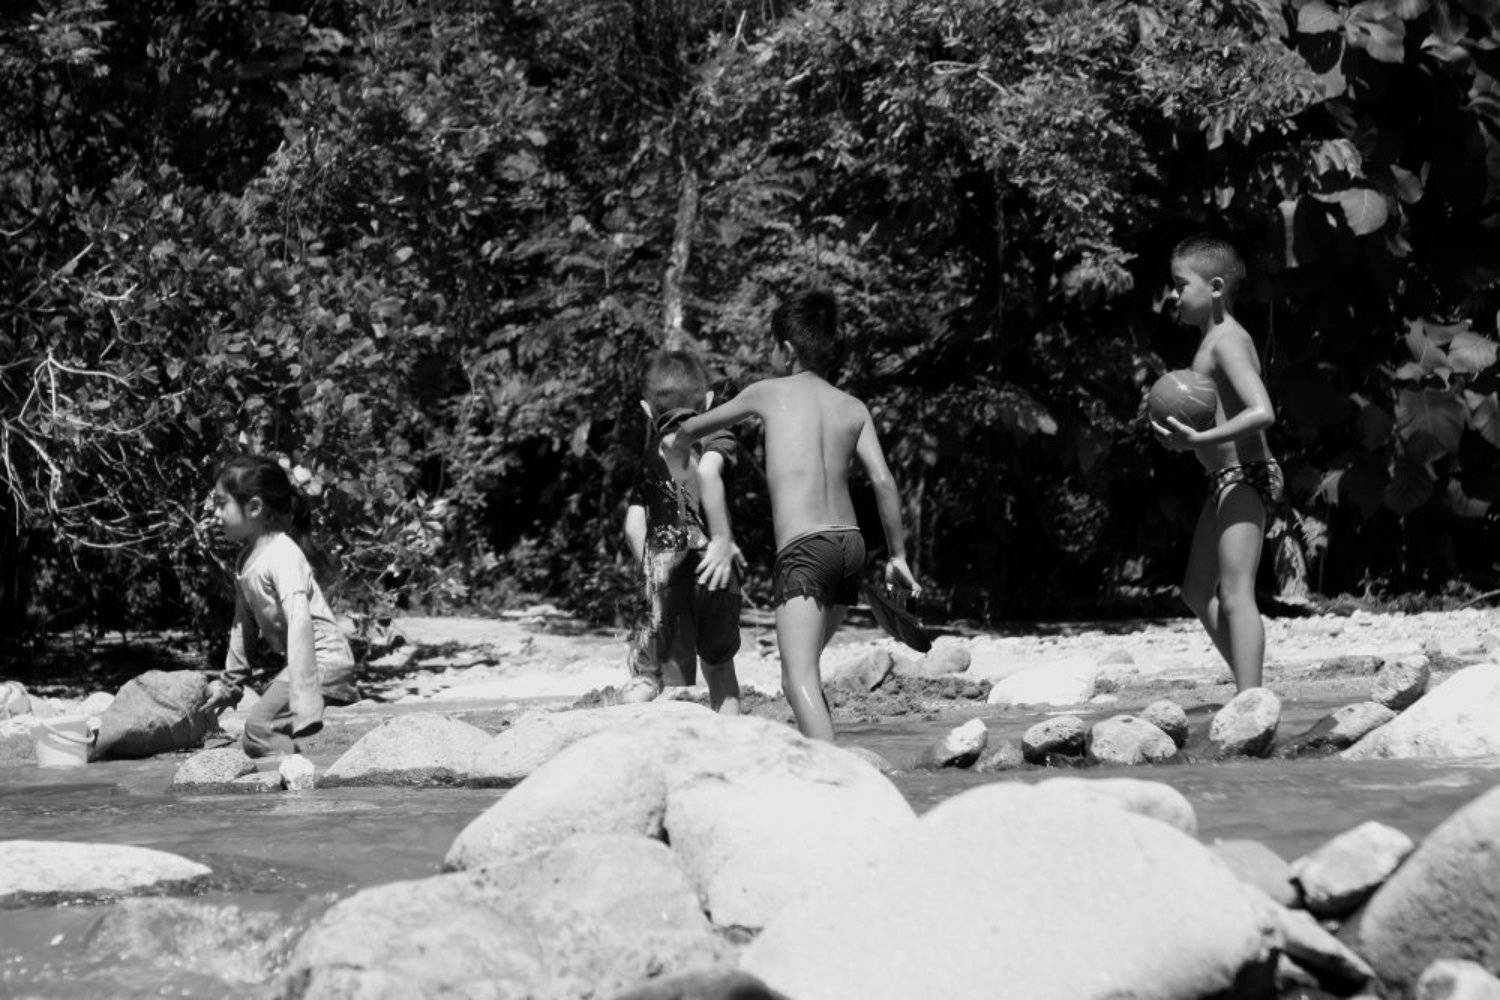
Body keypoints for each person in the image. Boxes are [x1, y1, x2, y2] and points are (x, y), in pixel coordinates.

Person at [665, 289, 920, 740]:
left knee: (795, 679)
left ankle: (832, 773)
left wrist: (677, 453)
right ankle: (824, 752)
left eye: (771, 345)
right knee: (807, 667)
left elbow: (688, 428)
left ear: (785, 349)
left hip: (806, 551)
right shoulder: (853, 407)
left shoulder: (766, 392)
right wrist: (897, 556)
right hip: (851, 548)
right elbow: (883, 481)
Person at [1152, 234, 1280, 692]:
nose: (1173, 295)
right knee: (1196, 591)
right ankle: (1252, 690)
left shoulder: (1228, 341)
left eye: (1181, 284)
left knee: (1235, 593)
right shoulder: (1210, 341)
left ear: (1217, 288)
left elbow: (1262, 412)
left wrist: (1200, 439)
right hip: (1225, 480)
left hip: (1247, 476)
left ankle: (1251, 700)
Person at [204, 455, 358, 759]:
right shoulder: (245, 560)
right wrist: (230, 685)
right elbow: (242, 626)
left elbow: (300, 620)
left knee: (259, 730)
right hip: (306, 662)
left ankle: (300, 778)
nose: (215, 513)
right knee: (257, 736)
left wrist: (304, 694)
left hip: (323, 660)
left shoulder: (283, 554)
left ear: (255, 507)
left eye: (222, 504)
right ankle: (302, 765)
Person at [622, 351, 744, 715]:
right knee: (719, 666)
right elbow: (709, 479)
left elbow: (632, 526)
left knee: (649, 674)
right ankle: (732, 737)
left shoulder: (649, 456)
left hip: (663, 566)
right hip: (714, 567)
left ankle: (633, 718)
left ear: (646, 410)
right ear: (708, 401)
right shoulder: (716, 439)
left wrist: (651, 572)